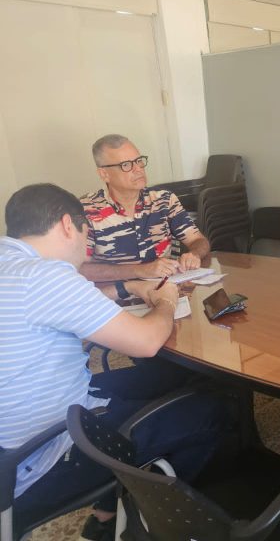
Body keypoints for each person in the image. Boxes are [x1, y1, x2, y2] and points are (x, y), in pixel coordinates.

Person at [0, 184, 228, 541]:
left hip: (25, 435)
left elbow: (63, 308)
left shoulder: (13, 265)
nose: (84, 246)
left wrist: (129, 288)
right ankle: (160, 526)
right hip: (41, 462)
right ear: (67, 225)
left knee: (166, 380)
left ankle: (106, 515)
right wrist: (166, 301)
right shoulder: (45, 275)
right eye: (85, 233)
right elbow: (146, 342)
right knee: (212, 411)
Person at [79, 134, 210, 283]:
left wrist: (194, 254)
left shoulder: (163, 200)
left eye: (139, 161)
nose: (138, 169)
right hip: (115, 294)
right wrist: (141, 270)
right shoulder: (86, 210)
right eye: (126, 165)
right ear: (104, 174)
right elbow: (81, 269)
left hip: (165, 289)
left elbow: (199, 240)